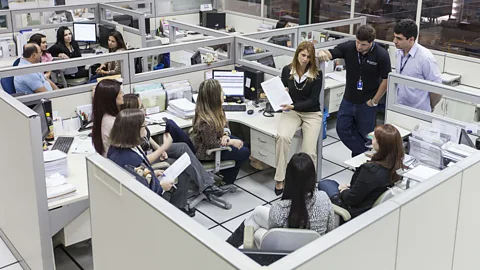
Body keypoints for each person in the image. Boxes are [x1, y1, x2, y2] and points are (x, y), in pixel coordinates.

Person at [120, 94, 224, 196]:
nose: (145, 109)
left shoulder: (140, 124)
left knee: (182, 147)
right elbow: (142, 160)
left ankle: (206, 182)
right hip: (146, 162)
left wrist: (158, 147)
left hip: (151, 153)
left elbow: (148, 137)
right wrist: (163, 148)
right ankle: (202, 186)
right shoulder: (131, 132)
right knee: (181, 163)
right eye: (141, 107)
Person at [226, 153, 336, 248]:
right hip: (314, 253)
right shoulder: (324, 198)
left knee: (255, 223)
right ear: (312, 177)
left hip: (284, 254)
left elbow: (276, 239)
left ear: (288, 178)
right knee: (257, 213)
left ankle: (227, 248)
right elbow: (331, 230)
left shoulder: (279, 209)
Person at [317, 25, 392, 157]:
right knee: (342, 128)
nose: (359, 47)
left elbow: (386, 80)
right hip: (349, 99)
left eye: (363, 44)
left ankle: (362, 165)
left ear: (371, 42)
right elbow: (332, 53)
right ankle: (365, 155)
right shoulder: (349, 47)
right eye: (357, 42)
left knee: (366, 135)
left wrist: (374, 101)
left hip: (367, 102)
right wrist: (323, 53)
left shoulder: (381, 54)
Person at [107, 109, 195, 217]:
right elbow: (143, 190)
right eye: (144, 126)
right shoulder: (128, 158)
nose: (146, 127)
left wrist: (151, 172)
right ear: (134, 130)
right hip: (144, 204)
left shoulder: (124, 147)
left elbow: (141, 172)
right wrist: (162, 186)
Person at [318, 124, 404, 219]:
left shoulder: (370, 171)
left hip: (356, 210)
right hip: (371, 204)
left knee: (325, 184)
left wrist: (344, 191)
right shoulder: (398, 164)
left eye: (374, 138)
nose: (372, 140)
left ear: (381, 145)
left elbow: (351, 199)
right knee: (333, 184)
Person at [274, 41, 323, 195]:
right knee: (282, 137)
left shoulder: (317, 74)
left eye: (309, 57)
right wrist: (283, 92)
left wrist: (293, 106)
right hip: (292, 112)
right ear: (297, 54)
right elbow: (282, 91)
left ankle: (308, 185)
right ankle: (280, 179)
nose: (305, 59)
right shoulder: (287, 70)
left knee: (309, 151)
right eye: (303, 55)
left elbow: (313, 101)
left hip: (311, 113)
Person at [191, 79, 250, 185]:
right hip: (207, 152)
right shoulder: (206, 121)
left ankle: (225, 174)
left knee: (243, 144)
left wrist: (225, 135)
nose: (224, 93)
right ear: (214, 97)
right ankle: (226, 181)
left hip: (219, 140)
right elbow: (211, 143)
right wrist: (230, 142)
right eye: (221, 91)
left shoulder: (218, 109)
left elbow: (225, 124)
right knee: (244, 152)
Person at [393, 19, 442, 112]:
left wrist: (429, 106)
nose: (394, 41)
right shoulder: (398, 52)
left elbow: (437, 90)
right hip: (398, 106)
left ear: (411, 39)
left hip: (418, 111)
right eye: (395, 37)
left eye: (399, 38)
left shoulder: (425, 58)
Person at [92, 79, 124, 157]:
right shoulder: (112, 121)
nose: (123, 95)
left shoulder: (104, 116)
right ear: (111, 98)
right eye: (120, 93)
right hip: (117, 163)